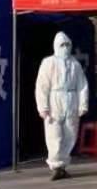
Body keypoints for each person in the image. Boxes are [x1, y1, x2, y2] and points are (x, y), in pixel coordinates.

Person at [36, 32, 89, 181]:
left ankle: (63, 166)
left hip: (71, 101)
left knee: (70, 134)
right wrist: (43, 107)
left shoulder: (75, 64)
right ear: (56, 46)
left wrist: (83, 104)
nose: (65, 47)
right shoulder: (48, 63)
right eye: (62, 45)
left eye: (67, 44)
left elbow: (82, 86)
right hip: (55, 101)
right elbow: (42, 86)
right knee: (54, 135)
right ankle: (56, 166)